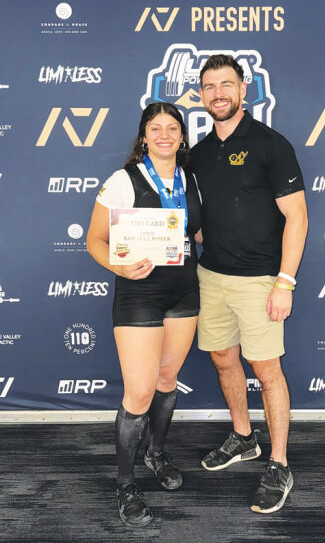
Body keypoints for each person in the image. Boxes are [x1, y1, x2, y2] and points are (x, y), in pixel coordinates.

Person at [190, 55, 308, 514]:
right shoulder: (197, 153)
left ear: (244, 88)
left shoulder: (270, 145)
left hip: (260, 281)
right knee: (223, 359)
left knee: (267, 371)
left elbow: (296, 218)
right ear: (200, 95)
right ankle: (244, 437)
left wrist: (285, 282)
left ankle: (278, 462)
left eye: (226, 84)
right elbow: (201, 219)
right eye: (209, 86)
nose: (218, 93)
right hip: (210, 275)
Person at [87, 103, 201, 527]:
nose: (165, 135)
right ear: (143, 137)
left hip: (184, 290)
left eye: (173, 128)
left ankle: (156, 453)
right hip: (139, 292)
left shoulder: (191, 179)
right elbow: (95, 239)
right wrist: (118, 267)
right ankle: (125, 483)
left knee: (167, 380)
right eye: (157, 128)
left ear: (183, 136)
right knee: (138, 393)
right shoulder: (123, 179)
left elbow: (197, 231)